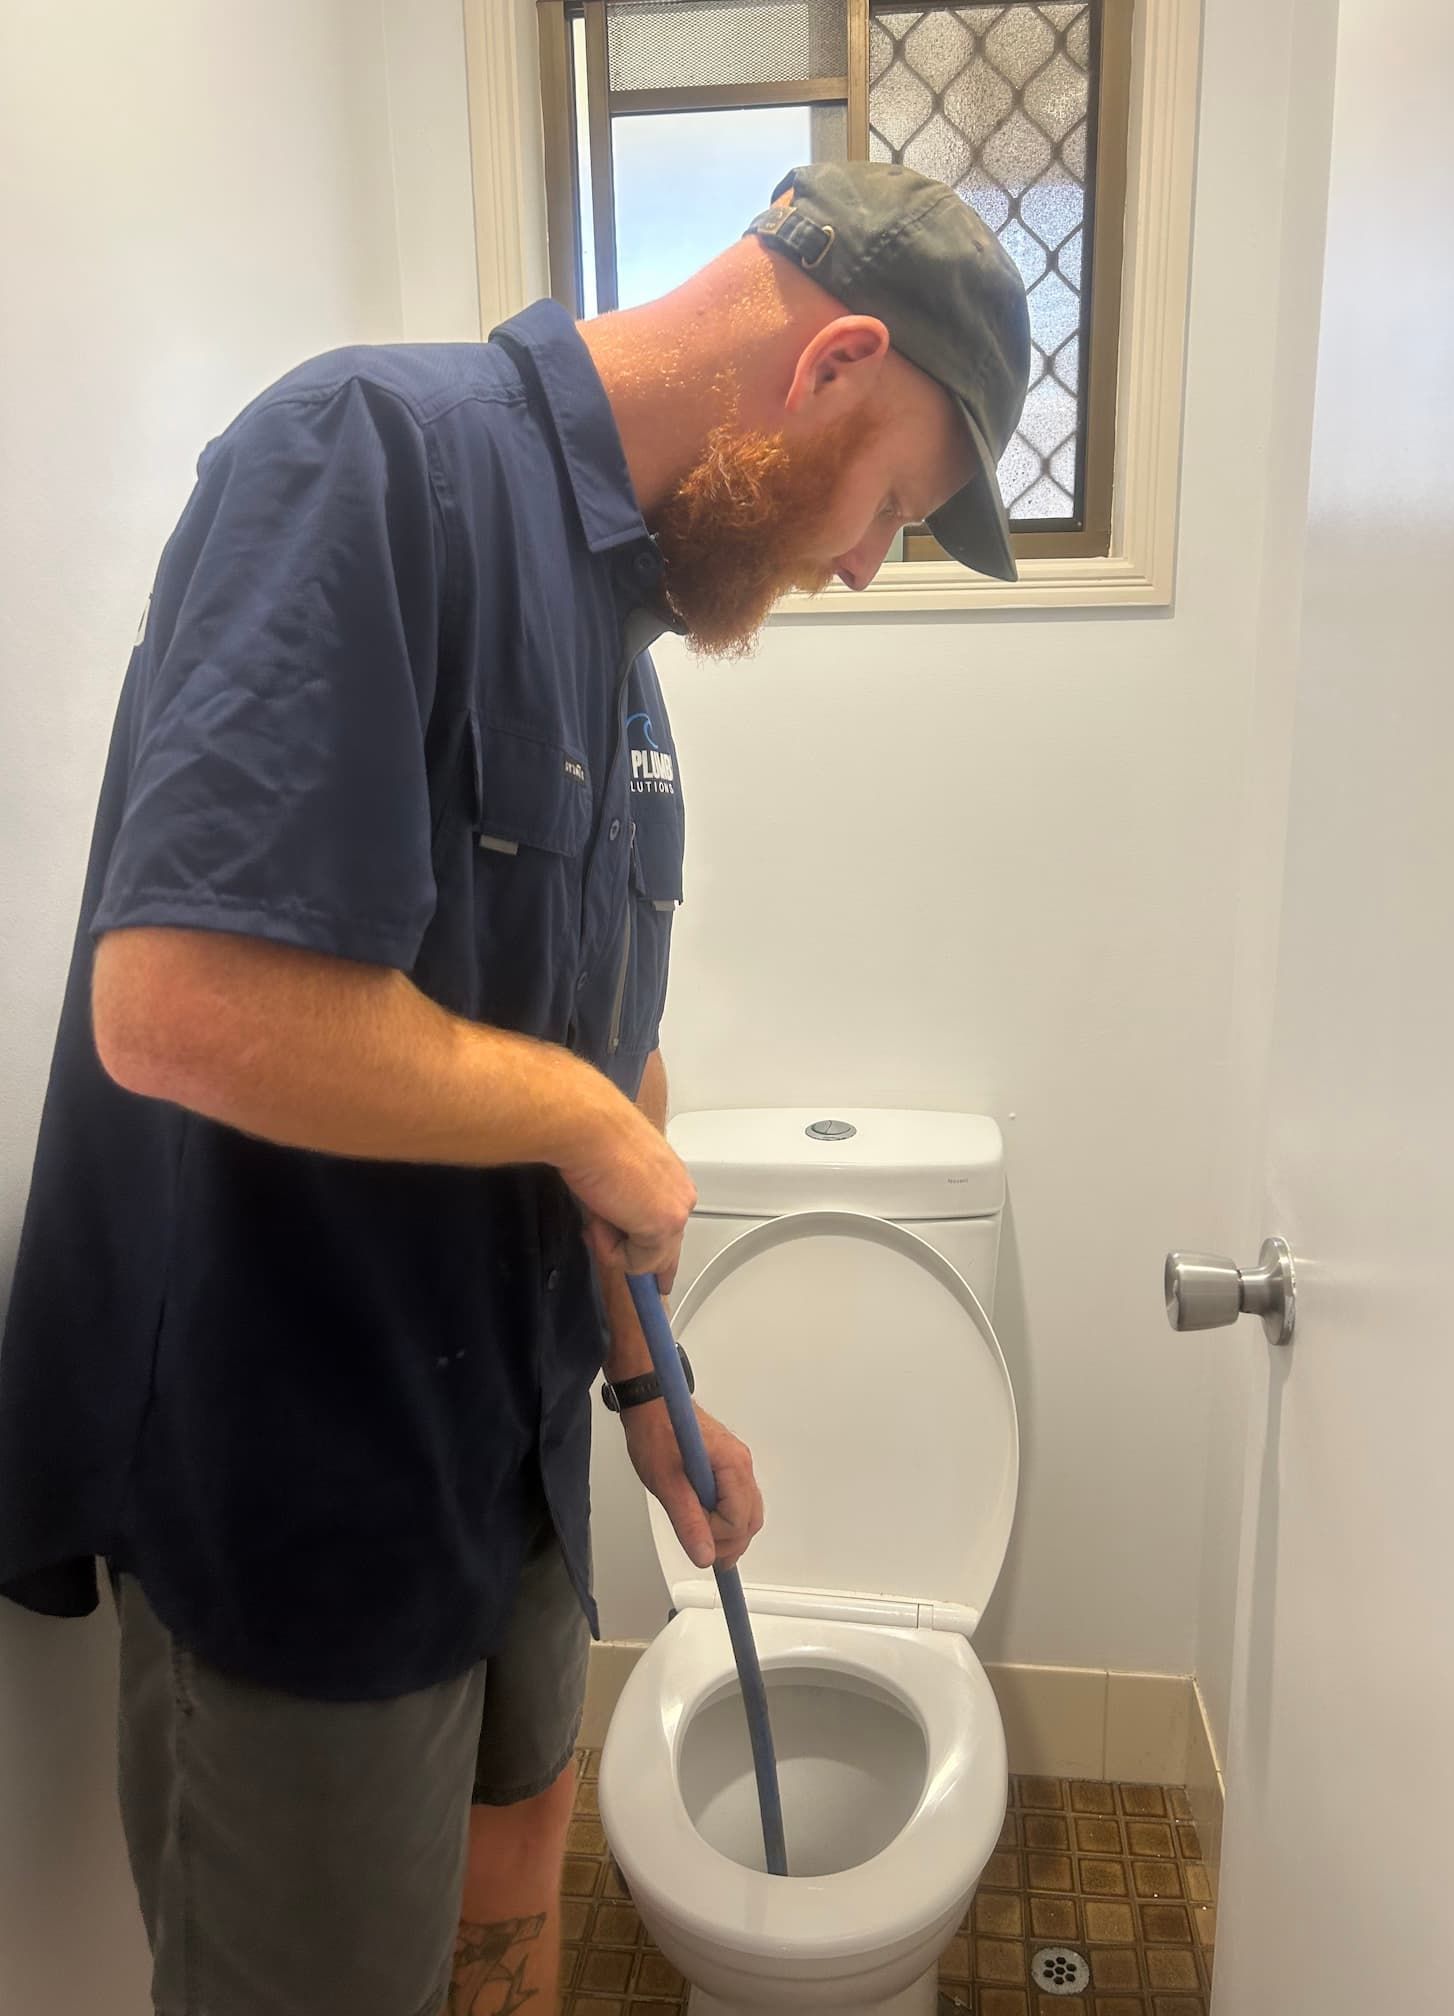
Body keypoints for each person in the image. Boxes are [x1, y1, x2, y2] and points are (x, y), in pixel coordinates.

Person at [0, 161, 1028, 2016]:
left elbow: (586, 1036)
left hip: (514, 1476)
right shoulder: (369, 461)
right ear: (836, 361)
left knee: (506, 1927)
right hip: (304, 1501)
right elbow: (176, 1001)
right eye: (900, 498)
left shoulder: (627, 658)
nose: (869, 561)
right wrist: (586, 1118)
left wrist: (650, 1392)